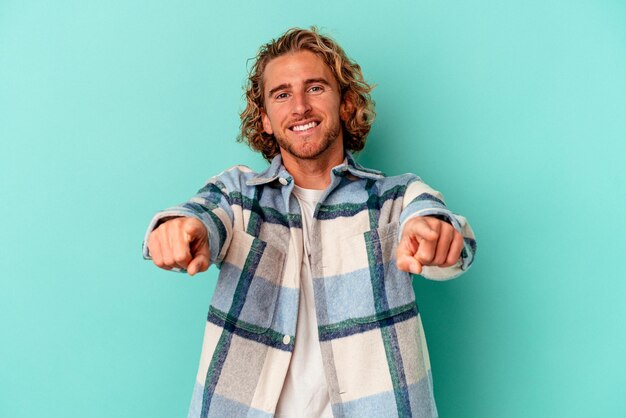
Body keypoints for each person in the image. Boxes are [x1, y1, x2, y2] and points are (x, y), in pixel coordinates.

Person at [143, 27, 476, 418]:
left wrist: (437, 237)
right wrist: (178, 230)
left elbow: (441, 229)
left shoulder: (394, 197)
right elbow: (200, 215)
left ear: (346, 105)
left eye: (315, 88)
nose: (299, 106)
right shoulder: (238, 196)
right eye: (282, 94)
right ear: (265, 119)